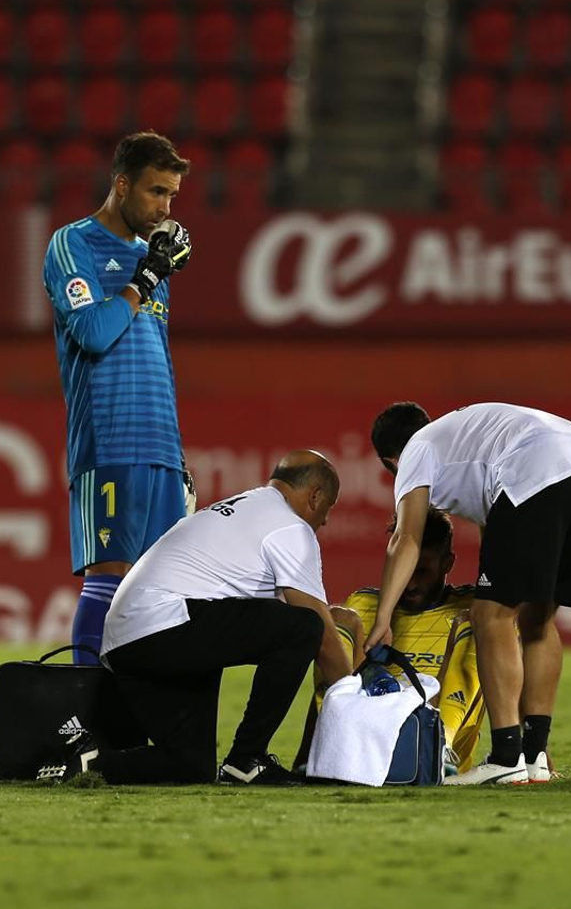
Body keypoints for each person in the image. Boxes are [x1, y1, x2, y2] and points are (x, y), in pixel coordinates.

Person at [367, 402, 571, 785]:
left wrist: (383, 618)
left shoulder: (416, 449)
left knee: (489, 615)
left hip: (538, 470)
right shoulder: (463, 440)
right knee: (538, 618)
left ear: (390, 462)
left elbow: (406, 538)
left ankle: (505, 758)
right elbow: (499, 541)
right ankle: (534, 756)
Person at [68, 451, 350, 786]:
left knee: (189, 765)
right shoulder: (291, 527)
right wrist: (358, 705)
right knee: (305, 628)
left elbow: (266, 617)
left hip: (129, 640)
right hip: (166, 624)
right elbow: (319, 636)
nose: (326, 521)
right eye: (329, 508)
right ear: (315, 496)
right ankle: (248, 758)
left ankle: (87, 763)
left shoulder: (247, 509)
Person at [42, 131, 195, 665]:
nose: (165, 209)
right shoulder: (73, 244)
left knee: (163, 594)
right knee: (108, 579)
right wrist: (144, 279)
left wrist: (176, 455)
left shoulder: (153, 260)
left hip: (159, 448)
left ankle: (143, 726)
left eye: (171, 197)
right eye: (156, 192)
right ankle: (86, 714)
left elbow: (157, 351)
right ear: (122, 184)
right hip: (108, 441)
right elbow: (94, 333)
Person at [295, 509, 484, 775]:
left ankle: (439, 746)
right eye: (404, 570)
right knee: (337, 619)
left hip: (431, 742)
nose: (411, 584)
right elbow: (338, 684)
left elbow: (510, 676)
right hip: (363, 744)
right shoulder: (364, 604)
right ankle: (326, 751)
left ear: (447, 564)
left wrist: (536, 747)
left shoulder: (470, 606)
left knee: (482, 621)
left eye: (422, 571)